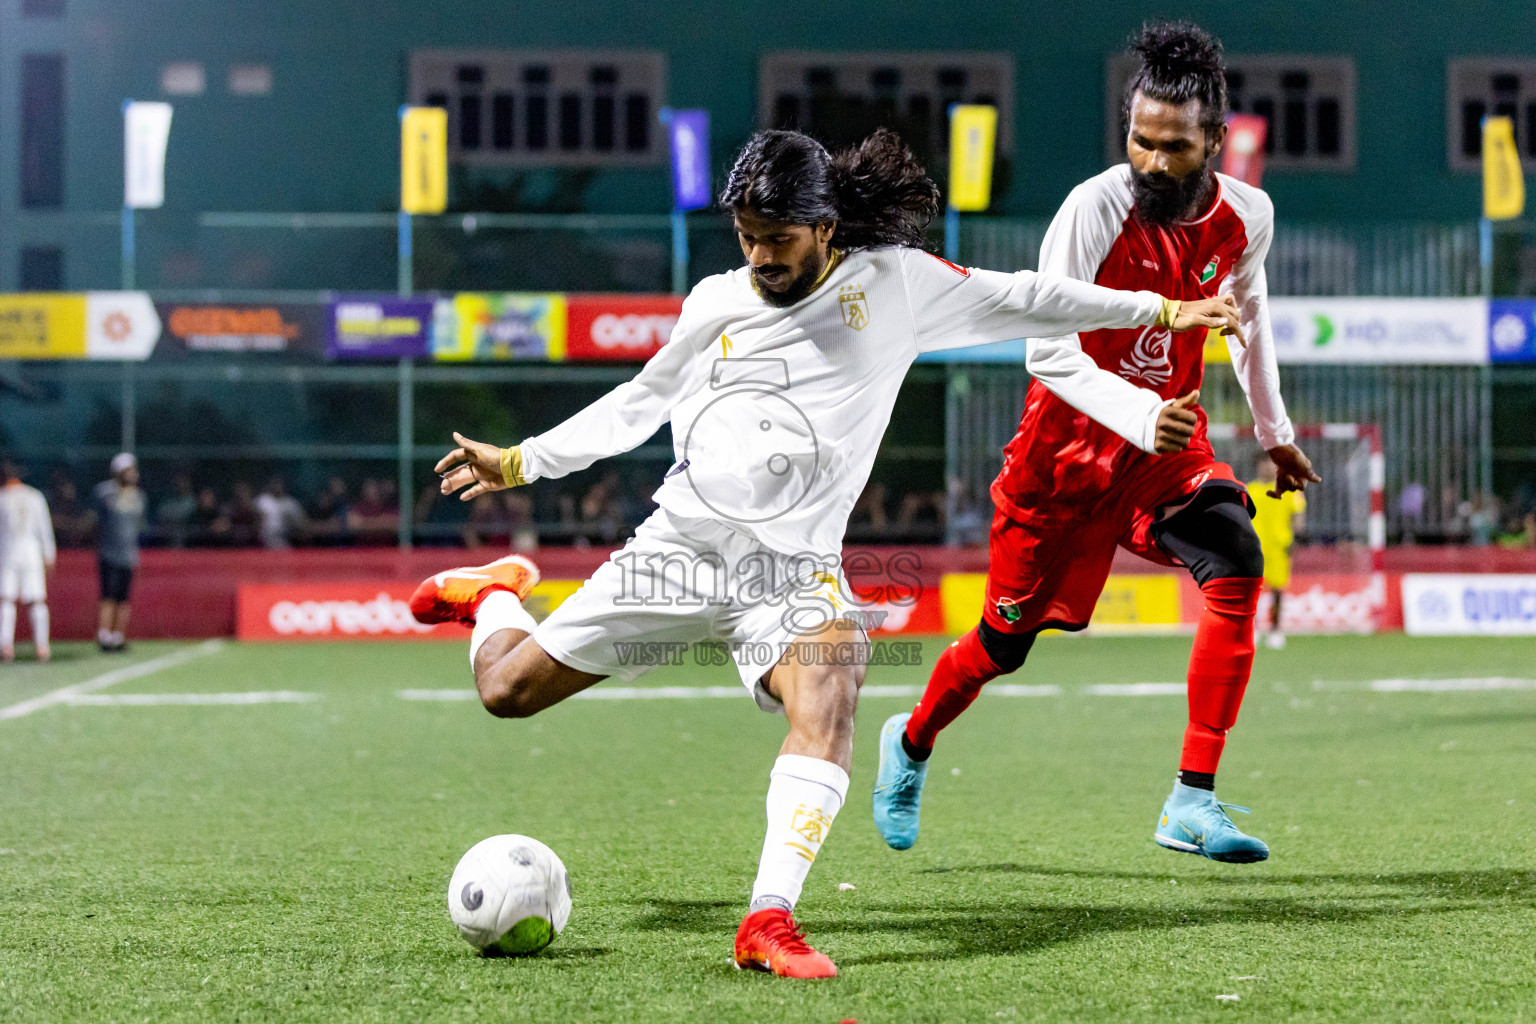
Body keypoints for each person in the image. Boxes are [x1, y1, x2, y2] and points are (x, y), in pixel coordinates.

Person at [408, 127, 1242, 978]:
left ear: (826, 226)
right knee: (504, 693)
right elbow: (638, 402)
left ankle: (768, 919)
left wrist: (1164, 310)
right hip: (682, 548)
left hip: (793, 573)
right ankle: (493, 597)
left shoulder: (896, 286)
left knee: (833, 685)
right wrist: (519, 461)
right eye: (747, 237)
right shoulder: (714, 304)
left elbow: (1031, 296)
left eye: (779, 237)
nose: (761, 255)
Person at [872, 22, 1319, 865]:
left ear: (1215, 142)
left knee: (1236, 559)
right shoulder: (1094, 208)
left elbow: (1248, 320)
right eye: (1140, 141)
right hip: (1064, 460)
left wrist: (1274, 434)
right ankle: (914, 740)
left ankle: (1191, 799)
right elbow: (1047, 348)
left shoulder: (1247, 215)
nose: (1153, 161)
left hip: (1162, 457)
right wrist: (1142, 414)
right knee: (1000, 646)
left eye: (1175, 146)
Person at [1248, 452, 1306, 649]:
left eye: (1271, 463)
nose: (1267, 467)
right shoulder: (1250, 490)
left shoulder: (1288, 488)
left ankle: (1275, 630)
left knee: (1278, 591)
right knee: (1251, 592)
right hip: (1254, 548)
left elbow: (1297, 514)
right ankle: (1252, 629)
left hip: (1279, 547)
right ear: (1257, 466)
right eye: (1263, 463)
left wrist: (1296, 538)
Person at [0, 459, 56, 662]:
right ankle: (42, 646)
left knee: (7, 600)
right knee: (37, 600)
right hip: (31, 553)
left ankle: (6, 646)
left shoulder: (3, 498)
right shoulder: (34, 496)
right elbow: (44, 529)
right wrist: (49, 553)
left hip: (8, 553)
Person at [96, 453, 146, 653]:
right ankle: (104, 635)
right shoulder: (106, 493)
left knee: (123, 597)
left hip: (128, 554)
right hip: (109, 552)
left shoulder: (139, 497)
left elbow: (140, 527)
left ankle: (118, 636)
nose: (132, 474)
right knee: (108, 595)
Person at [255, 476, 306, 549]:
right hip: (265, 538)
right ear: (270, 485)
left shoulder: (291, 503)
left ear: (284, 486)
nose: (277, 486)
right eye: (275, 484)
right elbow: (256, 519)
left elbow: (301, 524)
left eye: (279, 484)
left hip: (286, 538)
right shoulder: (263, 500)